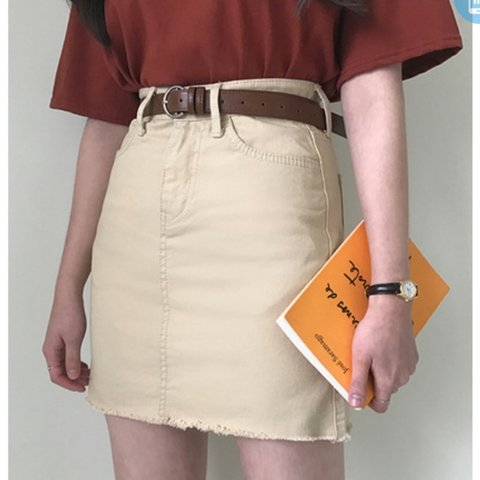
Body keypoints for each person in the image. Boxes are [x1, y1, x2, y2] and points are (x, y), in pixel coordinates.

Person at [42, 0, 463, 478]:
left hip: (272, 199)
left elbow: (372, 82)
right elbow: (106, 115)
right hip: (138, 206)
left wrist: (390, 291)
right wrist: (67, 288)